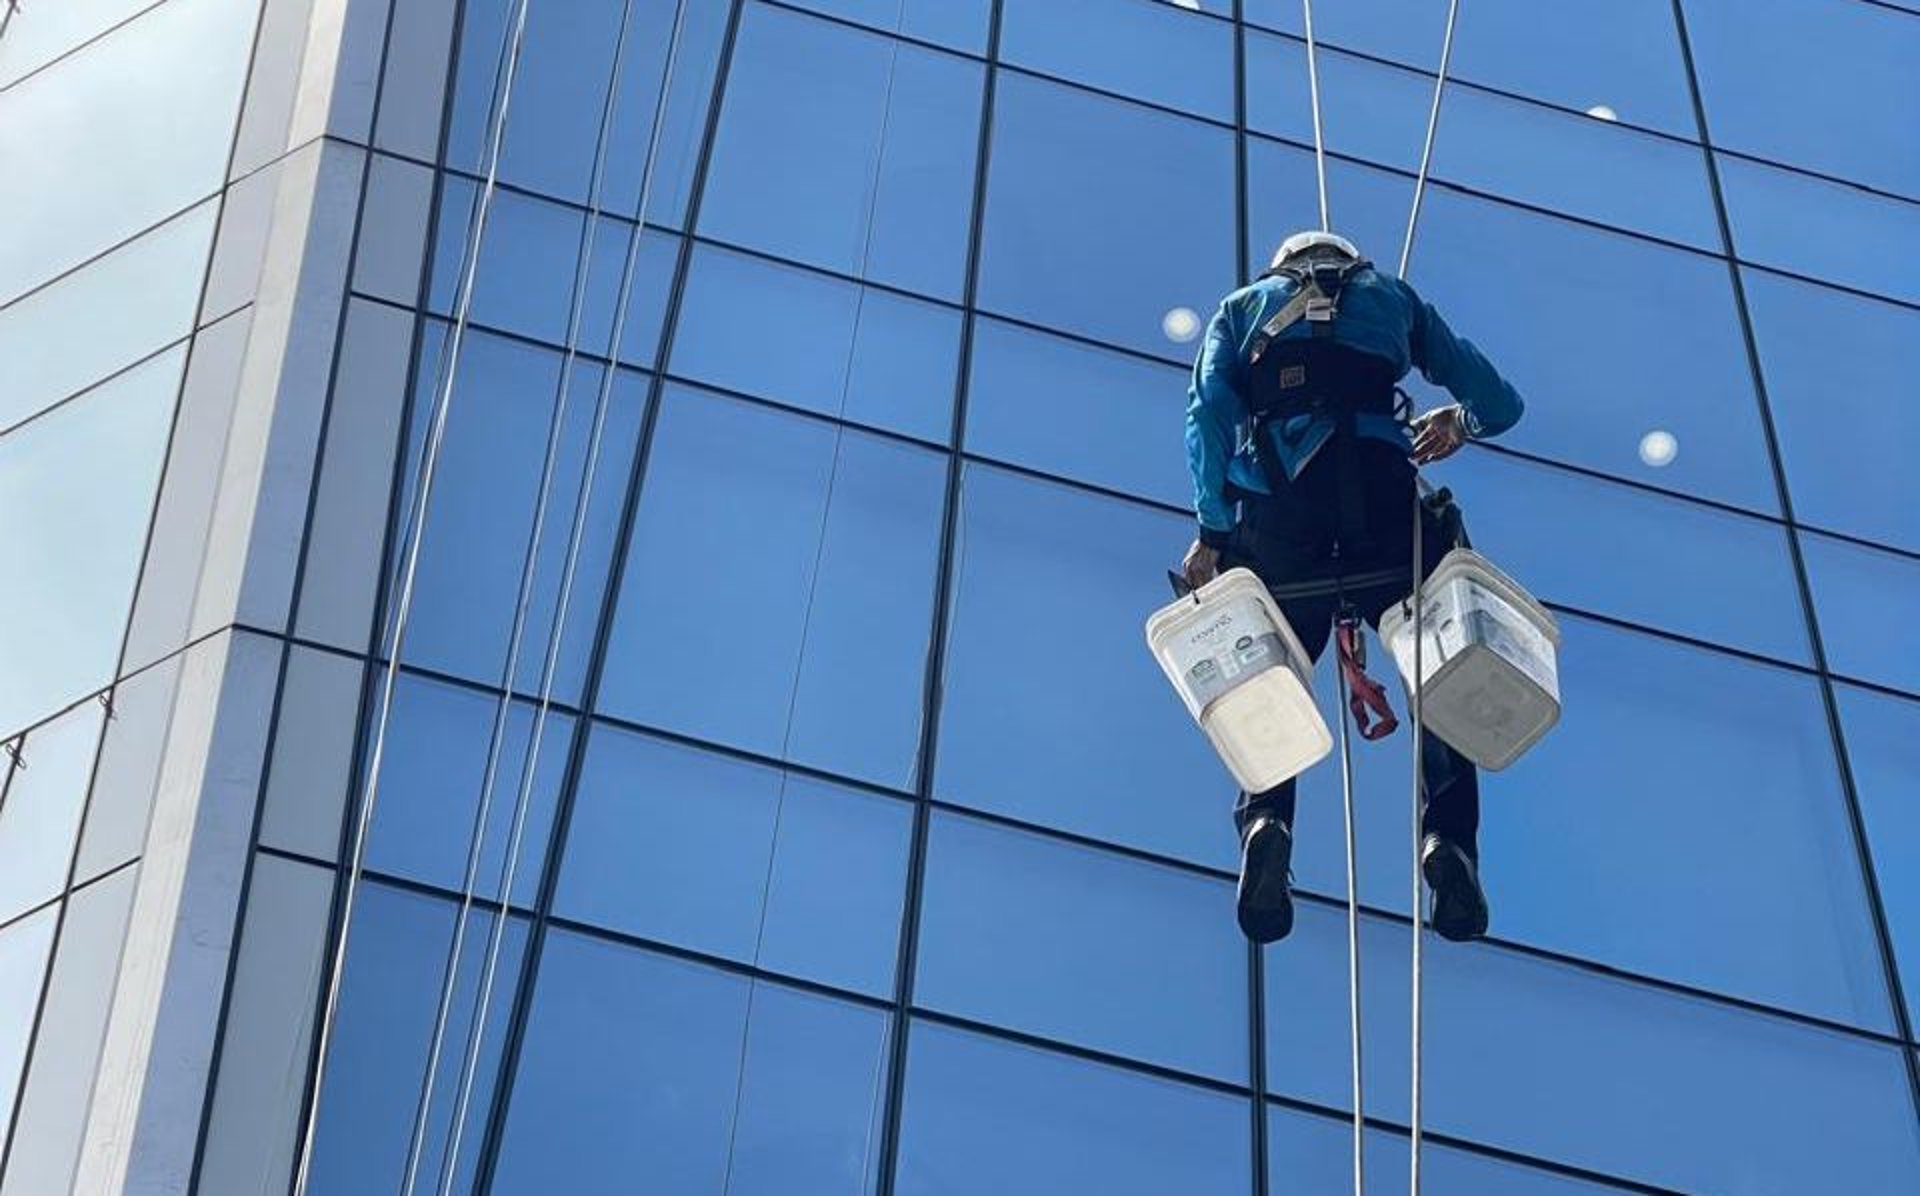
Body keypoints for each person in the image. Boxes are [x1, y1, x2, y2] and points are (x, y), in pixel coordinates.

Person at [1181, 230, 1524, 945]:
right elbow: (1500, 401)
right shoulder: (1391, 299)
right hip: (1385, 508)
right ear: (1348, 261)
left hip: (1285, 518)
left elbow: (1208, 413)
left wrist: (1214, 531)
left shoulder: (1244, 308)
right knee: (1444, 674)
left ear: (1281, 268)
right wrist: (1461, 422)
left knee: (1267, 678)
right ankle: (1449, 844)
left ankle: (1267, 820)